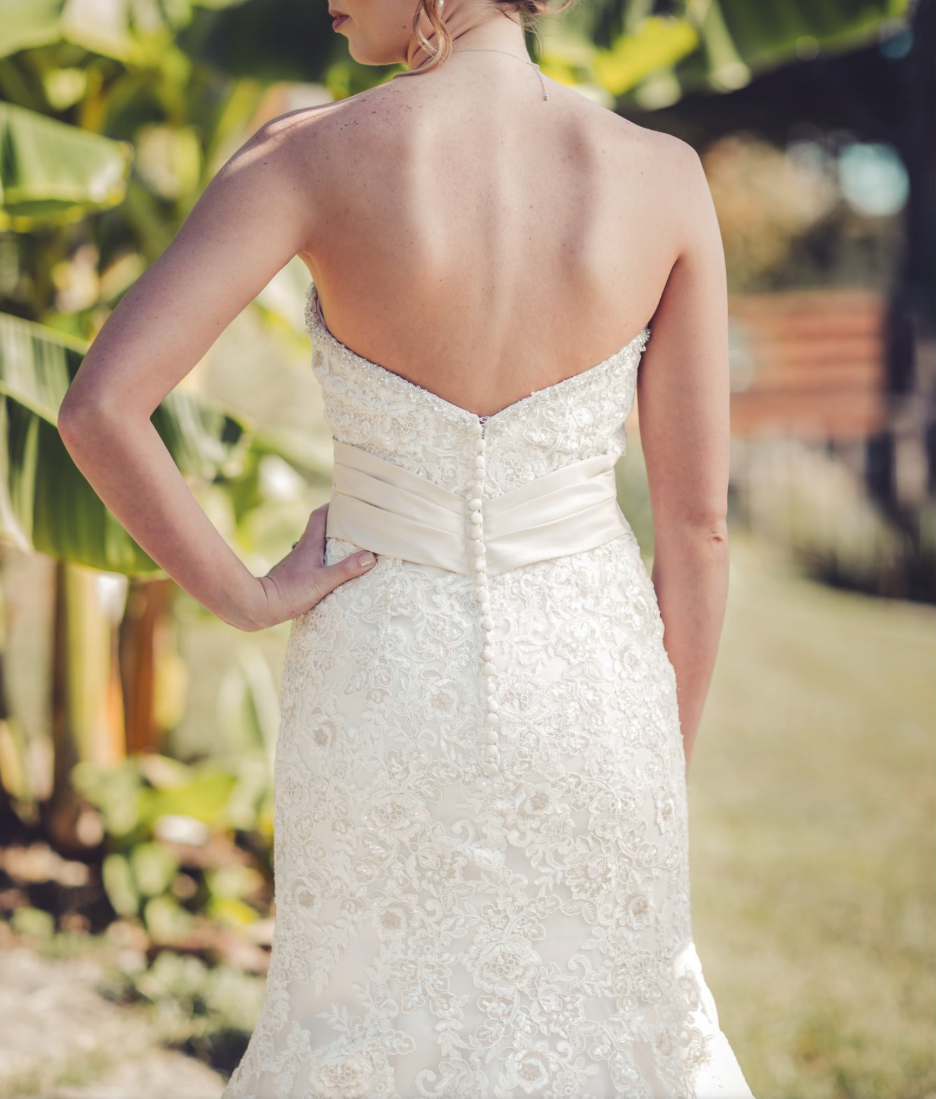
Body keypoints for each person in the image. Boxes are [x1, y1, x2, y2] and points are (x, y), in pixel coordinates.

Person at [58, 0, 758, 1092]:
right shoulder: (662, 176)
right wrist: (659, 760)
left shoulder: (309, 157)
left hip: (381, 682)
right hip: (596, 691)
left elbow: (101, 408)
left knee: (367, 1036)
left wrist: (245, 596)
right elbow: (698, 529)